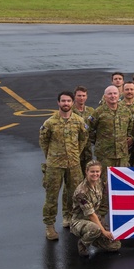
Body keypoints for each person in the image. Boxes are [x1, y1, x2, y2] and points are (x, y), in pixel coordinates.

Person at [40, 91, 88, 239]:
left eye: (68, 101)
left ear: (72, 103)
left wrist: (75, 153)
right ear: (58, 103)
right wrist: (51, 156)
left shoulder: (79, 121)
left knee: (75, 194)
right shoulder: (50, 123)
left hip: (73, 163)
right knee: (52, 196)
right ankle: (49, 226)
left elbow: (83, 139)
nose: (66, 103)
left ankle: (71, 220)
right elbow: (44, 142)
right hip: (54, 165)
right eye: (63, 101)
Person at [69, 160, 121, 257]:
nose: (95, 174)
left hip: (95, 217)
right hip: (80, 220)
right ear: (86, 171)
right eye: (92, 171)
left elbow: (107, 191)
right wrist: (104, 231)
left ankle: (95, 239)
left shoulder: (99, 183)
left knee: (115, 245)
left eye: (97, 171)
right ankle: (83, 243)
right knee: (96, 229)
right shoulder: (81, 192)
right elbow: (91, 215)